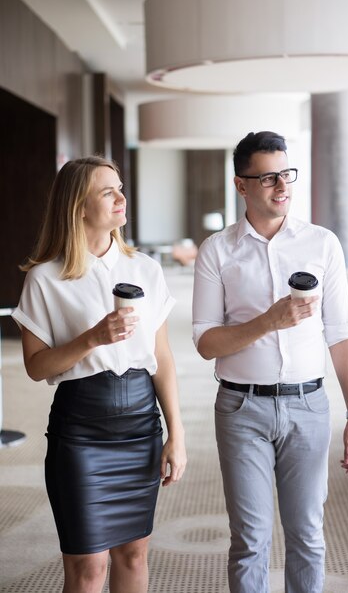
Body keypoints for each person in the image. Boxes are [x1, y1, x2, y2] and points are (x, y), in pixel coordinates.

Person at [192, 131, 348, 593]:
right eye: (267, 178)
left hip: (309, 407)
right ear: (241, 185)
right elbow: (206, 343)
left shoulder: (322, 244)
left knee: (307, 535)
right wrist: (269, 321)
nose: (282, 186)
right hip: (240, 409)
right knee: (249, 540)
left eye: (286, 174)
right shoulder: (218, 250)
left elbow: (342, 332)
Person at [12, 156, 187, 593]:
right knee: (88, 566)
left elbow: (161, 356)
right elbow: (36, 367)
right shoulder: (45, 278)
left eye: (120, 188)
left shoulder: (145, 268)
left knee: (134, 553)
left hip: (140, 424)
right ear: (78, 207)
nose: (122, 198)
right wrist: (91, 338)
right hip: (81, 431)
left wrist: (176, 434)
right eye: (108, 192)